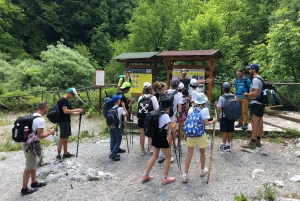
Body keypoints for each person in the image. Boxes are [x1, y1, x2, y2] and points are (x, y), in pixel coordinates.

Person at [21, 101, 56, 195]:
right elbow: (40, 135)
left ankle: (34, 182)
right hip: (30, 144)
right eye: (47, 108)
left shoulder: (33, 115)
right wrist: (50, 132)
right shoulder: (41, 119)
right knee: (29, 166)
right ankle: (24, 189)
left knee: (33, 163)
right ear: (45, 108)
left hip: (27, 142)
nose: (47, 109)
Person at [182, 93, 217, 183]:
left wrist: (186, 133)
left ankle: (185, 174)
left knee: (189, 154)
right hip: (201, 133)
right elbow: (205, 123)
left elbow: (188, 122)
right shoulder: (204, 109)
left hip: (190, 134)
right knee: (202, 152)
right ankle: (202, 170)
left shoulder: (190, 109)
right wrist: (213, 121)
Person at [141, 98, 177, 185]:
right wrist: (176, 121)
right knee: (168, 157)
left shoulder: (156, 112)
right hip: (161, 137)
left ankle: (146, 175)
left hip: (155, 136)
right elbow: (172, 128)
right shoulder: (165, 116)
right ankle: (165, 177)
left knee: (155, 156)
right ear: (167, 108)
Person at [158, 78, 182, 163]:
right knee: (170, 136)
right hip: (173, 117)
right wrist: (178, 116)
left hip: (163, 115)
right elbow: (179, 108)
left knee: (162, 135)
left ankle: (161, 155)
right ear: (178, 85)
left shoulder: (166, 92)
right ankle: (168, 155)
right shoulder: (179, 94)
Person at [241, 64, 265, 149]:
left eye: (250, 69)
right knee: (260, 122)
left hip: (256, 103)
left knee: (254, 123)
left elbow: (255, 93)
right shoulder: (261, 79)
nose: (249, 71)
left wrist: (247, 94)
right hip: (261, 103)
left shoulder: (255, 80)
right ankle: (258, 141)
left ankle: (252, 142)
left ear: (254, 70)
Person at [56, 88, 84, 160]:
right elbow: (65, 111)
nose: (73, 96)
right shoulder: (64, 100)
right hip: (63, 121)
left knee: (66, 137)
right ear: (68, 93)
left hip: (67, 121)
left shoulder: (67, 101)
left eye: (74, 95)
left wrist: (79, 113)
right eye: (72, 94)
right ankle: (58, 154)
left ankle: (65, 153)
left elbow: (70, 112)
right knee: (62, 137)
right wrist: (77, 109)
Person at [137, 82, 159, 156]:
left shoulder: (140, 97)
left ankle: (142, 150)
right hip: (150, 117)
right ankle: (152, 148)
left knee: (142, 133)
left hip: (141, 118)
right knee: (150, 132)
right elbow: (157, 108)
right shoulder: (153, 97)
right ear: (151, 88)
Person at [215, 82, 236, 152]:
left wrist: (216, 104)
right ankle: (228, 144)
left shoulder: (222, 97)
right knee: (230, 130)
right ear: (230, 89)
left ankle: (223, 145)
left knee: (224, 131)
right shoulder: (234, 96)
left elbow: (220, 108)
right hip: (232, 115)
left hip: (224, 116)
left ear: (223, 89)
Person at [108, 94, 127, 161]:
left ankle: (113, 150)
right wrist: (124, 106)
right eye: (119, 99)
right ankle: (113, 153)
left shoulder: (111, 109)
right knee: (118, 140)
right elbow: (126, 114)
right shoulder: (120, 109)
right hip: (117, 126)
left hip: (110, 126)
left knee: (112, 138)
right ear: (118, 101)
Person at [116, 82, 132, 153]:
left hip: (115, 116)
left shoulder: (117, 94)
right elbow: (126, 107)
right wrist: (130, 103)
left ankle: (115, 148)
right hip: (121, 116)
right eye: (128, 89)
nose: (128, 90)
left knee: (115, 135)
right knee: (119, 134)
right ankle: (116, 149)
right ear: (126, 89)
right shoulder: (123, 97)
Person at [176, 82, 189, 148]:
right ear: (183, 89)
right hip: (182, 114)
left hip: (175, 115)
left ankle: (172, 142)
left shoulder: (174, 95)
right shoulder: (185, 97)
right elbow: (186, 108)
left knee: (174, 129)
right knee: (180, 128)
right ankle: (179, 143)